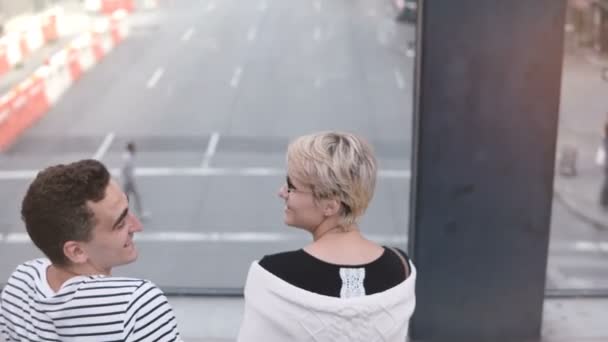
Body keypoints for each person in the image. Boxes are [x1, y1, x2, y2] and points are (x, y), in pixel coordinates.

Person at [238, 131, 416, 342]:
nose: (282, 192)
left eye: (291, 186)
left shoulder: (270, 275)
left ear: (330, 205)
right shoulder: (400, 267)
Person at [0, 159, 183, 341]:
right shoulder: (136, 305)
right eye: (120, 224)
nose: (137, 226)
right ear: (76, 251)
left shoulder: (21, 282)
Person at [122, 141, 149, 218]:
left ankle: (124, 214)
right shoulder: (128, 158)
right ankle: (140, 213)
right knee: (136, 196)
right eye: (134, 148)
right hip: (129, 181)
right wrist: (130, 179)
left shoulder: (128, 156)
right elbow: (125, 169)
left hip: (127, 180)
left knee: (126, 198)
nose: (135, 150)